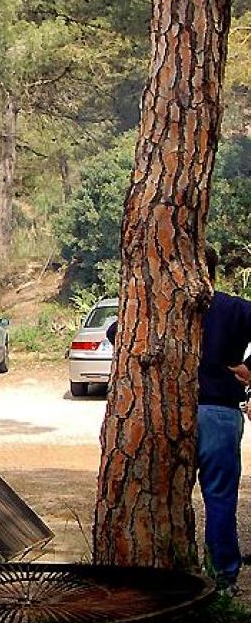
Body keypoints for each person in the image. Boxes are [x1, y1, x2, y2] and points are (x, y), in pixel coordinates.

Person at [107, 246, 251, 590]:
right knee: (219, 498)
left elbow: (115, 332)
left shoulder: (162, 307)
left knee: (160, 496)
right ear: (214, 273)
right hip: (219, 414)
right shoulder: (233, 308)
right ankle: (223, 580)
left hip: (168, 413)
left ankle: (162, 574)